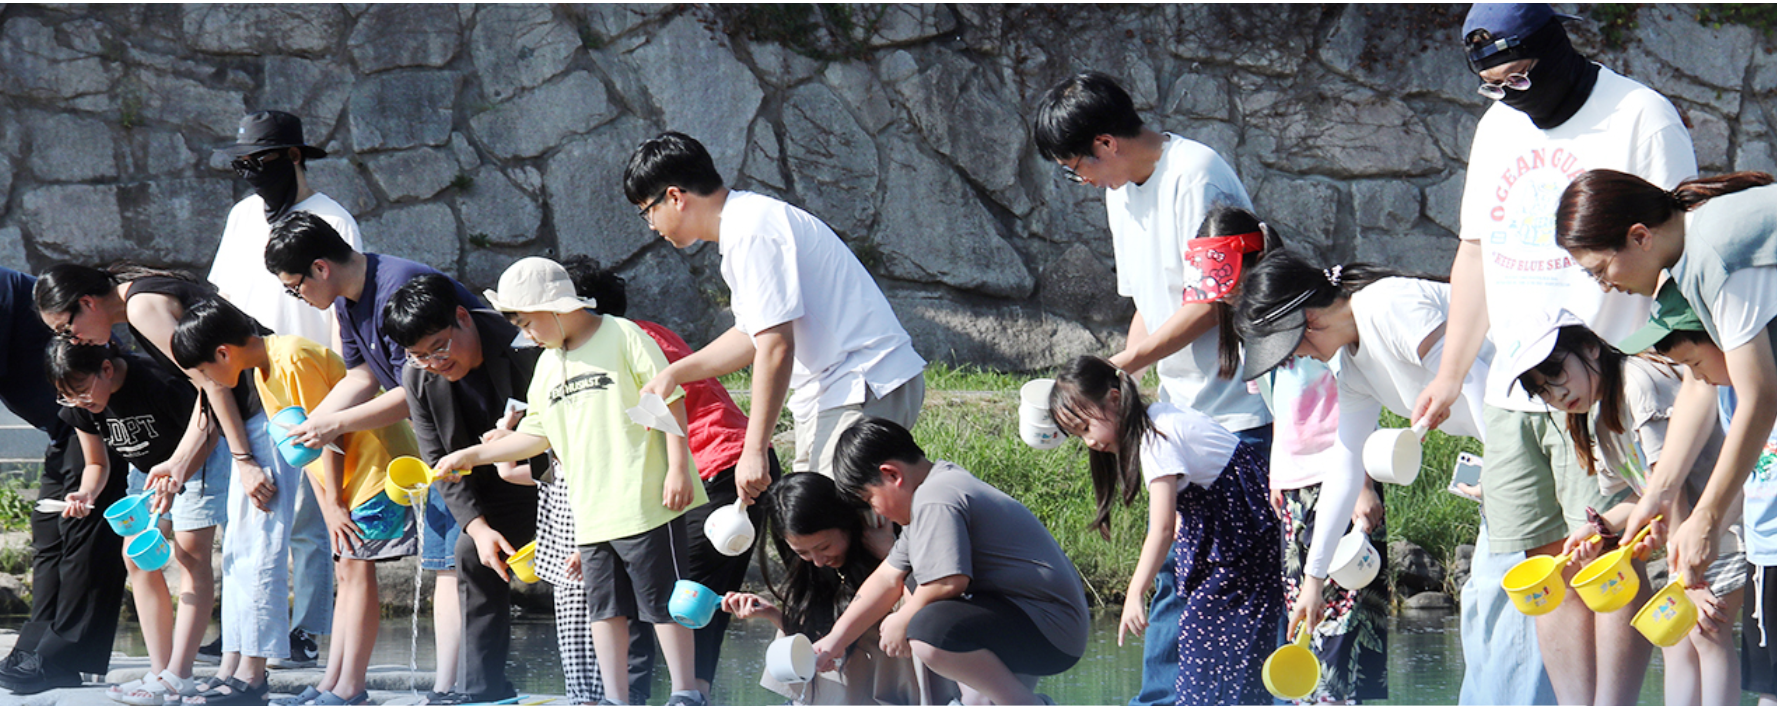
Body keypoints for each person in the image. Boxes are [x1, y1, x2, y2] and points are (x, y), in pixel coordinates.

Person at [1411, 5, 1697, 703]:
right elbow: (1474, 253)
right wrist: (1450, 373)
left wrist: (1670, 362)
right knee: (1549, 566)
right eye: (1493, 85)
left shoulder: (1638, 116)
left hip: (1602, 383)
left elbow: (1678, 247)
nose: (1511, 97)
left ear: (1555, 49)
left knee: (1608, 554)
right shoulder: (1496, 126)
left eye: (1520, 77)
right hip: (1517, 389)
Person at [1034, 74, 1270, 705]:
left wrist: (1124, 364)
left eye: (1075, 168)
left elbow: (1216, 301)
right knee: (1178, 575)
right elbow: (1147, 302)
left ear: (1105, 144)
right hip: (1184, 412)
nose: (1081, 181)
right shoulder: (1122, 193)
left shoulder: (1198, 176)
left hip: (1243, 414)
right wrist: (1124, 380)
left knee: (1236, 581)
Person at [432, 257, 709, 706]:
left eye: (528, 322)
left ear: (555, 307)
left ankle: (685, 692)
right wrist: (471, 455)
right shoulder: (547, 365)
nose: (527, 335)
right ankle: (615, 699)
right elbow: (534, 436)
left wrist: (678, 467)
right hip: (591, 513)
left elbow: (669, 399)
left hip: (644, 500)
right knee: (604, 609)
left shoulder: (623, 335)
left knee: (664, 602)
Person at [32, 264, 295, 704]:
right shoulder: (139, 306)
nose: (71, 341)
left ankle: (231, 677)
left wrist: (240, 459)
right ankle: (203, 673)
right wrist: (177, 464)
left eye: (66, 328)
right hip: (230, 422)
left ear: (88, 303)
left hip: (257, 409)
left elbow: (211, 384)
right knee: (214, 553)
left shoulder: (142, 309)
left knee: (240, 553)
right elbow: (208, 388)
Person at [625, 132, 927, 490]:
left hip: (861, 383)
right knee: (816, 516)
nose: (652, 226)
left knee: (833, 517)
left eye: (647, 211)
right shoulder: (745, 225)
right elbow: (751, 336)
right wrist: (675, 373)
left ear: (675, 197)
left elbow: (776, 346)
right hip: (842, 388)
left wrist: (754, 450)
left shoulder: (752, 232)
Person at [263, 211, 484, 699]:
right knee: (446, 564)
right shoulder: (347, 303)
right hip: (440, 440)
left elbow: (415, 388)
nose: (298, 297)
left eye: (294, 287)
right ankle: (447, 687)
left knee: (456, 566)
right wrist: (314, 424)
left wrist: (336, 424)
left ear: (320, 268)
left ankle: (454, 687)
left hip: (474, 430)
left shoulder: (398, 288)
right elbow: (361, 376)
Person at [171, 298, 421, 706]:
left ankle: (351, 688)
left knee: (357, 573)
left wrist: (335, 504)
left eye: (203, 371)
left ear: (223, 353)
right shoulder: (263, 371)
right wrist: (329, 505)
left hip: (374, 473)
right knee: (347, 573)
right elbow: (304, 452)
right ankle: (332, 683)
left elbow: (329, 433)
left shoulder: (292, 358)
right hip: (347, 482)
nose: (207, 381)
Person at [563, 254, 781, 695]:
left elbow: (642, 431)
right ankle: (686, 695)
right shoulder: (640, 333)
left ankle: (652, 697)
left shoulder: (620, 344)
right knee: (691, 601)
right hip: (725, 470)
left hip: (715, 472)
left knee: (671, 595)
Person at [1503, 306, 1742, 706]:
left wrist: (1687, 576)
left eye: (1556, 373)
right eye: (1542, 391)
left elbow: (1671, 489)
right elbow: (1644, 495)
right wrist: (1600, 529)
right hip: (1693, 538)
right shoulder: (1600, 420)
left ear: (1590, 347)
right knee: (1678, 637)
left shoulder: (1637, 383)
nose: (1556, 394)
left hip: (1726, 524)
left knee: (1704, 631)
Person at [210, 110, 360, 668]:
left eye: (261, 161)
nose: (252, 173)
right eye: (243, 163)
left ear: (294, 157)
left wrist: (343, 389)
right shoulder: (243, 216)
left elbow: (344, 304)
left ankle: (306, 629)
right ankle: (246, 630)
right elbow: (224, 296)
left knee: (312, 515)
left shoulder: (332, 219)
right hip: (252, 377)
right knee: (250, 513)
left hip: (311, 376)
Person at [1044, 357, 1277, 706]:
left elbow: (1163, 528)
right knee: (1215, 649)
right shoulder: (1159, 419)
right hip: (1240, 542)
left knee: (1208, 649)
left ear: (1115, 399)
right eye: (1079, 436)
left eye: (1086, 427)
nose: (1089, 442)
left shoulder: (1156, 437)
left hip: (1243, 547)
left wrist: (1135, 593)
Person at [825, 418, 1089, 706]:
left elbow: (948, 582)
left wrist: (903, 618)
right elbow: (887, 577)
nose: (876, 511)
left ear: (891, 475)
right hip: (1032, 621)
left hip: (1051, 629)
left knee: (928, 629)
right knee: (915, 587)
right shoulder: (932, 492)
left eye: (869, 499)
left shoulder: (936, 497)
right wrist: (834, 641)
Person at [383, 274, 544, 705]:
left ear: (462, 317)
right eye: (419, 355)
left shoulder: (523, 346)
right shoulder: (417, 377)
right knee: (470, 552)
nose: (434, 363)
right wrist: (478, 527)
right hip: (485, 489)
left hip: (544, 476)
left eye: (439, 348)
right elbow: (439, 462)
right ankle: (482, 691)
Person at [46, 340, 232, 706]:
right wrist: (85, 493)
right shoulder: (82, 404)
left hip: (197, 462)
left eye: (82, 390)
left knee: (190, 556)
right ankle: (160, 671)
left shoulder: (157, 380)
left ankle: (179, 675)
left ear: (107, 369)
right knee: (136, 557)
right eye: (68, 396)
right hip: (146, 473)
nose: (79, 401)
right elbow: (97, 463)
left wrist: (178, 476)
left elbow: (209, 432)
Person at [1630, 285, 1777, 706]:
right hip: (1763, 556)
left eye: (1695, 363)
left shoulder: (1760, 388)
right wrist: (1698, 528)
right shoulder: (1730, 391)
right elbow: (1754, 479)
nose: (1697, 377)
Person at [0, 267, 129, 697]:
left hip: (94, 411)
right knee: (48, 531)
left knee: (82, 533)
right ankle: (36, 647)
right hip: (65, 425)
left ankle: (65, 658)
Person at [720, 472, 954, 705]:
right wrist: (771, 613)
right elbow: (816, 640)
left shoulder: (889, 548)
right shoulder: (811, 571)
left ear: (847, 523)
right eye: (802, 552)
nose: (818, 560)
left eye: (824, 547)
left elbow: (928, 601)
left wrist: (889, 554)